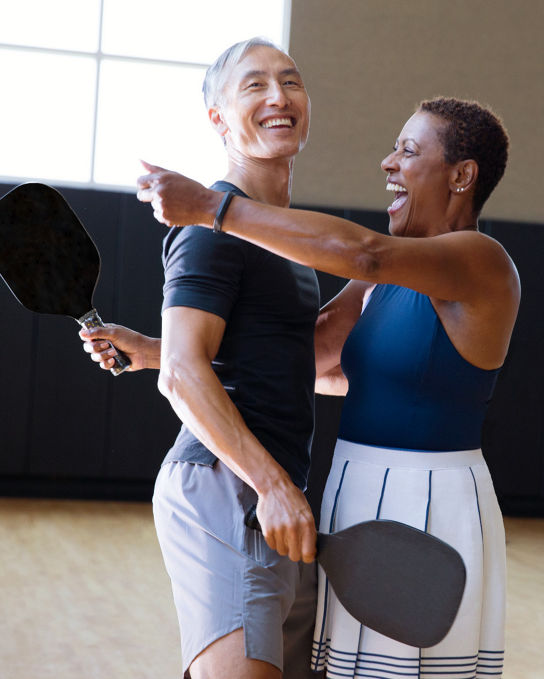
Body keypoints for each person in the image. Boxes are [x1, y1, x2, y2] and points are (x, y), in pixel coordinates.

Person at [134, 97, 519, 678]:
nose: (388, 163)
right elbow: (304, 360)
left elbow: (363, 253)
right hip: (350, 496)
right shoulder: (378, 287)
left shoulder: (481, 261)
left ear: (462, 176)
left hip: (432, 505)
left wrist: (214, 207)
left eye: (409, 151)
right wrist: (166, 354)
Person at [81, 38, 323, 679]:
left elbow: (266, 357)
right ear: (217, 119)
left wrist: (157, 351)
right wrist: (272, 487)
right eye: (254, 85)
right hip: (230, 484)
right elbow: (185, 378)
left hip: (269, 484)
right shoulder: (209, 233)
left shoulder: (280, 233)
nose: (279, 96)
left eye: (291, 81)